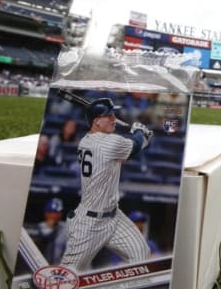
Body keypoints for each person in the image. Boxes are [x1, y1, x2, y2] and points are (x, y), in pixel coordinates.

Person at [59, 97, 154, 271]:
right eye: (107, 116)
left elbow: (132, 148)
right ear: (96, 121)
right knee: (67, 277)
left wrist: (143, 137)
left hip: (114, 216)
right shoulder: (106, 143)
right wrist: (140, 132)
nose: (113, 119)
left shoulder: (87, 140)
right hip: (88, 223)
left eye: (113, 114)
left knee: (141, 256)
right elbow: (134, 145)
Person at [26, 198, 68, 265]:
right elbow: (44, 237)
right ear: (47, 213)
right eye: (54, 212)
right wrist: (51, 227)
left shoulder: (66, 227)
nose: (58, 215)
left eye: (59, 212)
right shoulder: (39, 227)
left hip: (60, 267)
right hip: (40, 265)